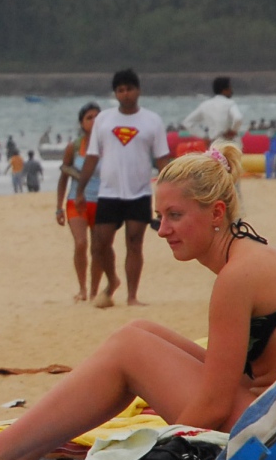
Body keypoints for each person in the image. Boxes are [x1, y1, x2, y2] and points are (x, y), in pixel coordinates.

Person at [0, 147, 276, 460]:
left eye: (175, 216)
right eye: (160, 217)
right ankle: (20, 455)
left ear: (216, 213)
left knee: (130, 348)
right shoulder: (256, 258)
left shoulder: (236, 278)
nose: (162, 231)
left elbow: (213, 407)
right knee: (139, 330)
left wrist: (150, 452)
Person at [73, 68, 172, 308]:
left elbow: (162, 160)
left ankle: (132, 296)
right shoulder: (104, 120)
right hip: (109, 192)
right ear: (115, 93)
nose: (125, 94)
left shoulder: (152, 121)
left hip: (139, 192)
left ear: (138, 90)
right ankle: (112, 280)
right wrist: (80, 190)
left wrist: (170, 189)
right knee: (100, 243)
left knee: (134, 242)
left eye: (129, 89)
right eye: (121, 90)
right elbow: (92, 157)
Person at [56, 102, 111, 302]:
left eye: (98, 116)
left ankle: (95, 290)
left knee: (98, 248)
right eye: (89, 117)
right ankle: (82, 289)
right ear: (82, 123)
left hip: (103, 201)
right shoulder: (74, 147)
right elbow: (63, 177)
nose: (94, 121)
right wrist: (58, 208)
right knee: (81, 243)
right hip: (76, 202)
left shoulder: (109, 146)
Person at [182, 76, 246, 149]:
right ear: (224, 90)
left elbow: (187, 122)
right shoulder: (230, 103)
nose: (232, 91)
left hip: (214, 144)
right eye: (230, 88)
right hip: (230, 144)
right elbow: (238, 118)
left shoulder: (205, 105)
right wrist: (233, 131)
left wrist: (204, 136)